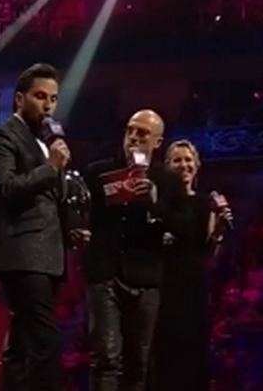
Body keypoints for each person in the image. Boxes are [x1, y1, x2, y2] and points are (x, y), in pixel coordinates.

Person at [0, 63, 89, 391]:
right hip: (23, 253)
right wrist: (51, 167)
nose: (48, 106)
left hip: (49, 255)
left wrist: (70, 229)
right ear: (19, 99)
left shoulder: (44, 143)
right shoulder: (0, 136)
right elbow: (5, 188)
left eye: (53, 99)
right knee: (44, 339)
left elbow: (50, 201)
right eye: (40, 97)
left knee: (23, 345)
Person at [82, 109, 187, 391]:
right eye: (130, 130)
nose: (133, 137)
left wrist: (153, 203)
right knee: (106, 358)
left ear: (158, 142)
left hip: (145, 277)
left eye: (143, 133)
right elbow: (80, 214)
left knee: (138, 363)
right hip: (106, 274)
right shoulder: (97, 172)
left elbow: (181, 226)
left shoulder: (168, 181)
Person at [149, 139, 232, 391]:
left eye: (188, 160)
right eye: (177, 160)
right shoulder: (157, 201)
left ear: (196, 165)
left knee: (192, 353)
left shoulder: (206, 203)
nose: (183, 165)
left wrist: (220, 230)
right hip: (161, 285)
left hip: (192, 287)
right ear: (168, 166)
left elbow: (208, 252)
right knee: (163, 353)